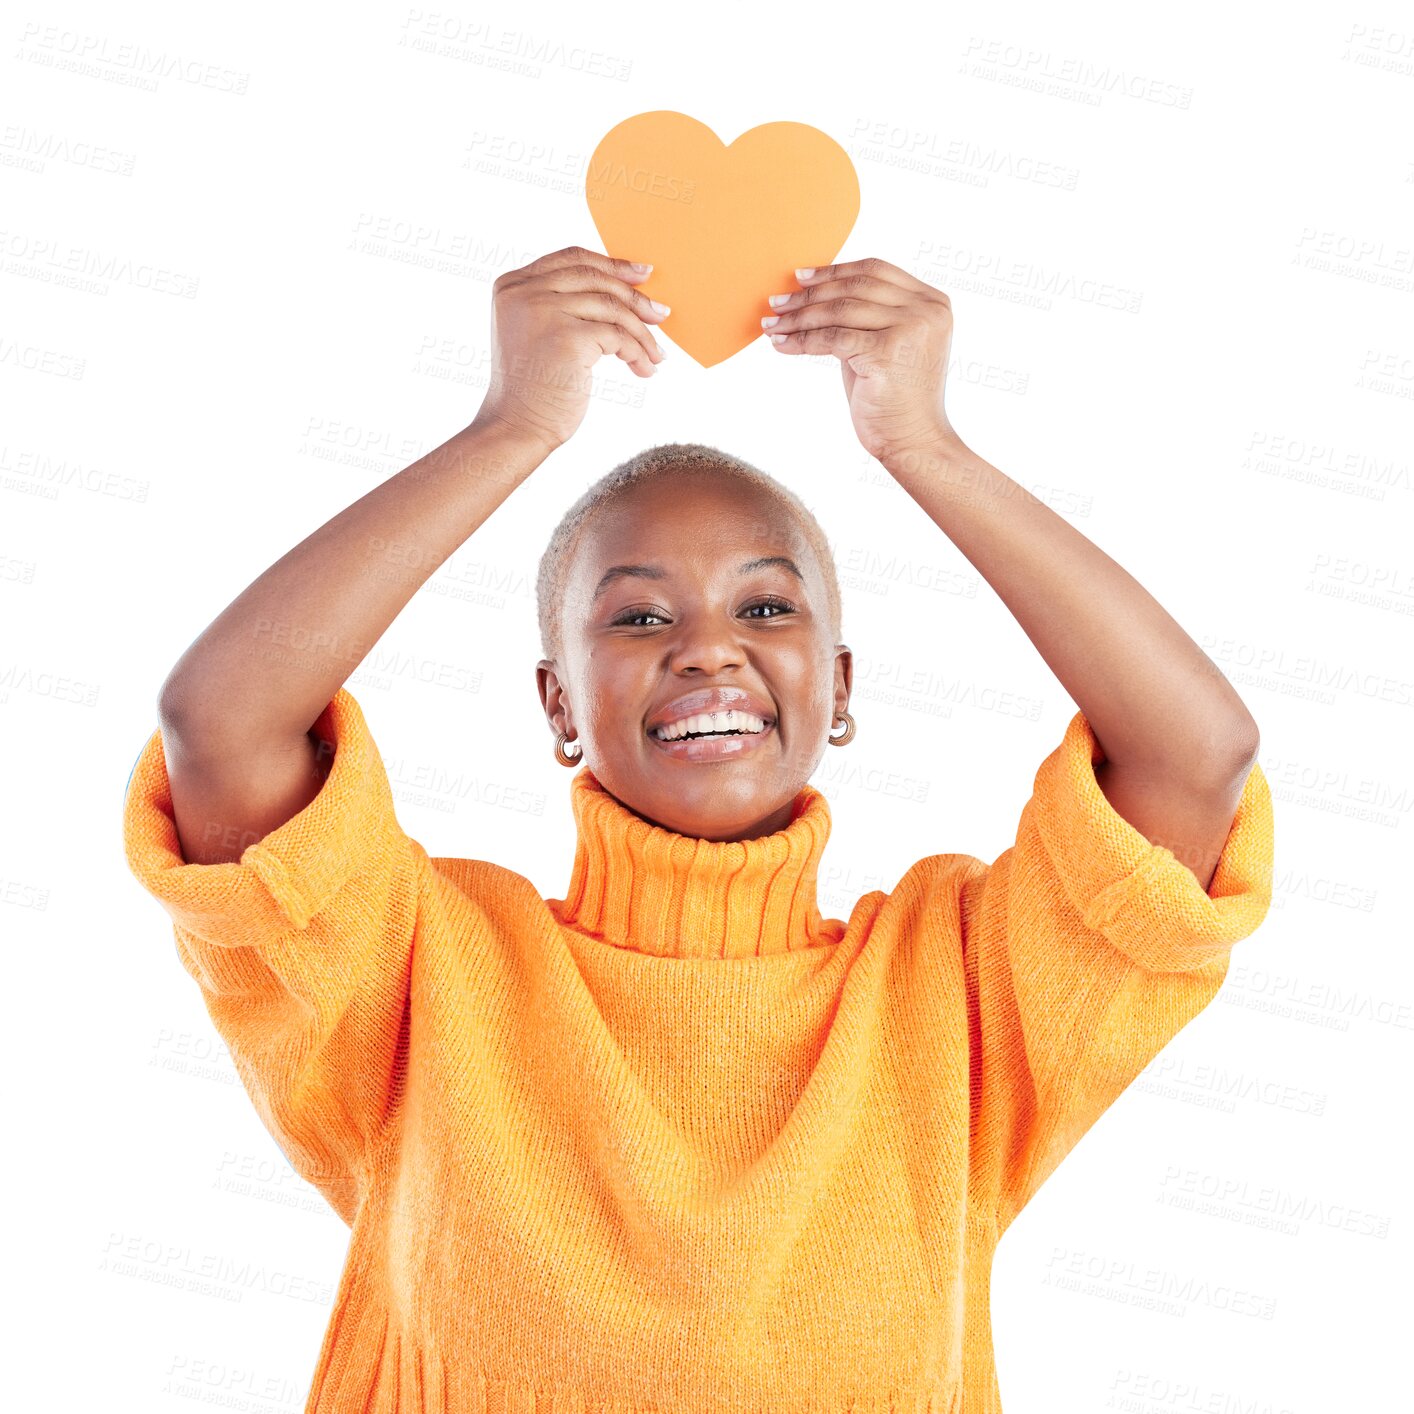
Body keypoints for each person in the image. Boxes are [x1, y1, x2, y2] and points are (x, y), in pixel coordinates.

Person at [122, 246, 1274, 1413]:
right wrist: (509, 427)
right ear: (557, 703)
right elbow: (220, 722)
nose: (708, 647)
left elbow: (1195, 756)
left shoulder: (955, 991)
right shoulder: (425, 965)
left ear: (838, 682)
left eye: (765, 606)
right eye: (636, 615)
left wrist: (924, 447)